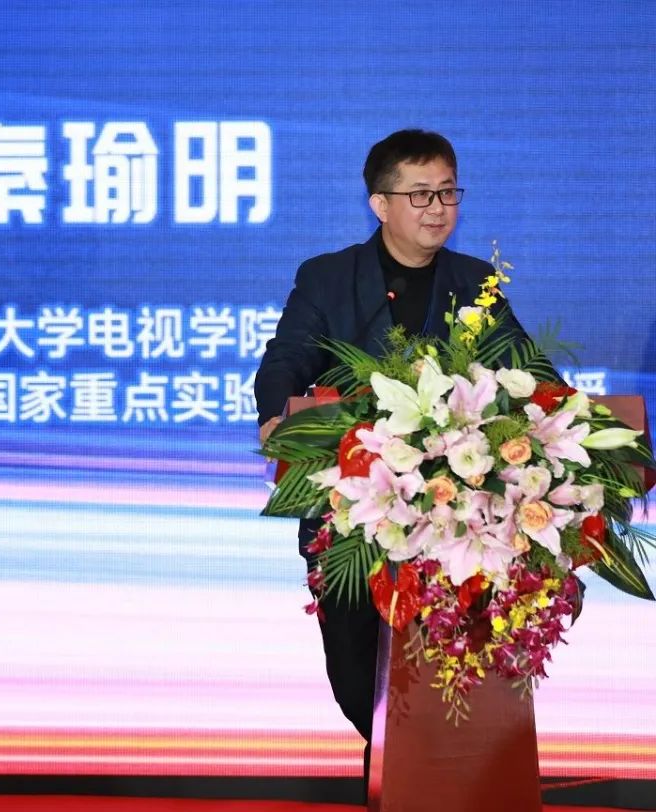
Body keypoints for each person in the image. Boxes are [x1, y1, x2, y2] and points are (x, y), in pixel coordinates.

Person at [254, 129, 538, 792]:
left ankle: (431, 785)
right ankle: (402, 769)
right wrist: (276, 414)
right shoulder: (328, 278)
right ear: (381, 204)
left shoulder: (475, 282)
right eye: (420, 194)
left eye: (447, 192)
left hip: (459, 517)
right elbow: (285, 360)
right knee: (357, 675)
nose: (438, 208)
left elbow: (530, 370)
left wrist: (562, 418)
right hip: (355, 512)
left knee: (450, 672)